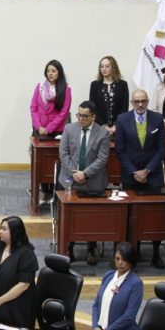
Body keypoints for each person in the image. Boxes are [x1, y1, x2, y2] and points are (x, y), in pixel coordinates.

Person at [115, 89, 165, 268]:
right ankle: (133, 253)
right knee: (131, 216)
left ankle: (155, 253)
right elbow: (120, 150)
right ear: (132, 102)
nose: (140, 104)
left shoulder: (158, 119)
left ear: (147, 101)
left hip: (153, 174)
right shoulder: (122, 119)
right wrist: (135, 172)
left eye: (143, 101)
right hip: (130, 175)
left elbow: (161, 150)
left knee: (154, 215)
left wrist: (147, 171)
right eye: (136, 101)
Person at [58, 101, 110, 265]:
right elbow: (63, 152)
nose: (81, 119)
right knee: (70, 216)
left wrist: (85, 174)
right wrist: (75, 173)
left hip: (93, 181)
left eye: (85, 116)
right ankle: (69, 248)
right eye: (79, 115)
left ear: (93, 117)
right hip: (70, 180)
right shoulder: (69, 129)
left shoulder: (102, 133)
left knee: (90, 217)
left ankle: (90, 248)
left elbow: (102, 158)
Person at [91, 242, 143, 330]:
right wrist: (95, 327)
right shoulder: (108, 276)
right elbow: (96, 305)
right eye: (118, 258)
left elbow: (129, 316)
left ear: (131, 261)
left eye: (124, 259)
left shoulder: (135, 283)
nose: (120, 262)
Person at [30, 59, 72, 204]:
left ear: (59, 72)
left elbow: (64, 113)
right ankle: (44, 192)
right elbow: (33, 108)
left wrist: (48, 129)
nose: (50, 73)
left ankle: (56, 192)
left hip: (56, 131)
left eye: (53, 71)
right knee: (41, 162)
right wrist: (39, 126)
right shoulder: (40, 87)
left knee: (54, 162)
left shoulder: (65, 89)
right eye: (48, 70)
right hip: (39, 130)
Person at [89, 56, 129, 137]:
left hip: (118, 128)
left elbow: (124, 108)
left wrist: (116, 125)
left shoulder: (122, 85)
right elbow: (93, 108)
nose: (104, 69)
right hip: (99, 127)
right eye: (101, 66)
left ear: (113, 68)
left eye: (107, 66)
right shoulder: (95, 85)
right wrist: (103, 126)